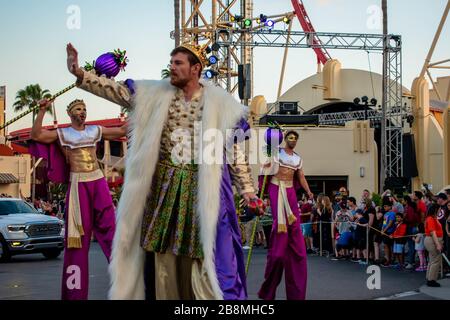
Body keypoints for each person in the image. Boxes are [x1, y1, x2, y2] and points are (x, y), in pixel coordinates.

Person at [67, 42, 259, 300]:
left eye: (178, 63)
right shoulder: (155, 94)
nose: (172, 68)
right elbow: (118, 91)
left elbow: (234, 152)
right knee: (162, 256)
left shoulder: (220, 104)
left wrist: (247, 191)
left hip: (203, 188)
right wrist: (81, 74)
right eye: (171, 63)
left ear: (196, 68)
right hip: (164, 188)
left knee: (207, 256)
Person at [30, 98, 126, 299]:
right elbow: (36, 135)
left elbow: (122, 131)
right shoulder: (63, 133)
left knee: (111, 228)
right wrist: (41, 110)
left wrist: (141, 108)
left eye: (85, 109)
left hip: (98, 180)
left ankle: (126, 275)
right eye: (78, 109)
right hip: (78, 184)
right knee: (77, 242)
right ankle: (75, 294)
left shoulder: (95, 130)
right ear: (70, 113)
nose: (83, 112)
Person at [258, 130, 313, 300]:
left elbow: (301, 176)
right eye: (290, 137)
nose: (293, 140)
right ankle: (279, 239)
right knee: (281, 223)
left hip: (290, 189)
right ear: (285, 139)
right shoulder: (277, 152)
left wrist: (309, 191)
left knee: (294, 224)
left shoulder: (297, 158)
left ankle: (293, 240)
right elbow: (266, 161)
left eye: (295, 138)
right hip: (276, 187)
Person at [424, 204, 444, 287]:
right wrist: (438, 244)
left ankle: (429, 278)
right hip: (432, 241)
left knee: (432, 260)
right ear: (435, 209)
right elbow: (433, 232)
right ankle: (431, 280)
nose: (440, 210)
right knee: (436, 260)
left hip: (431, 240)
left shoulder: (432, 218)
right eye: (439, 209)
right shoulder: (431, 219)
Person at [381, 197, 396, 267]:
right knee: (386, 245)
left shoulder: (392, 214)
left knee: (390, 246)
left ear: (390, 207)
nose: (384, 207)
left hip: (390, 232)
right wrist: (382, 229)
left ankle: (391, 259)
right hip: (385, 232)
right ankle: (387, 258)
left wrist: (384, 230)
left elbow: (390, 223)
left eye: (386, 206)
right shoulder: (385, 214)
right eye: (384, 206)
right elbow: (384, 223)